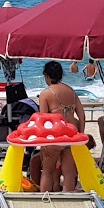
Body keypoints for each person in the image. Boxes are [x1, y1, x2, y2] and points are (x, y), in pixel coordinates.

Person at [35, 61, 85, 192]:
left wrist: (44, 143)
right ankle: (67, 200)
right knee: (69, 173)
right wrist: (80, 133)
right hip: (71, 136)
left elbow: (44, 119)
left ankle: (44, 200)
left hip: (54, 136)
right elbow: (81, 115)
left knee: (47, 171)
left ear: (46, 76)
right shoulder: (71, 91)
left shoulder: (46, 94)